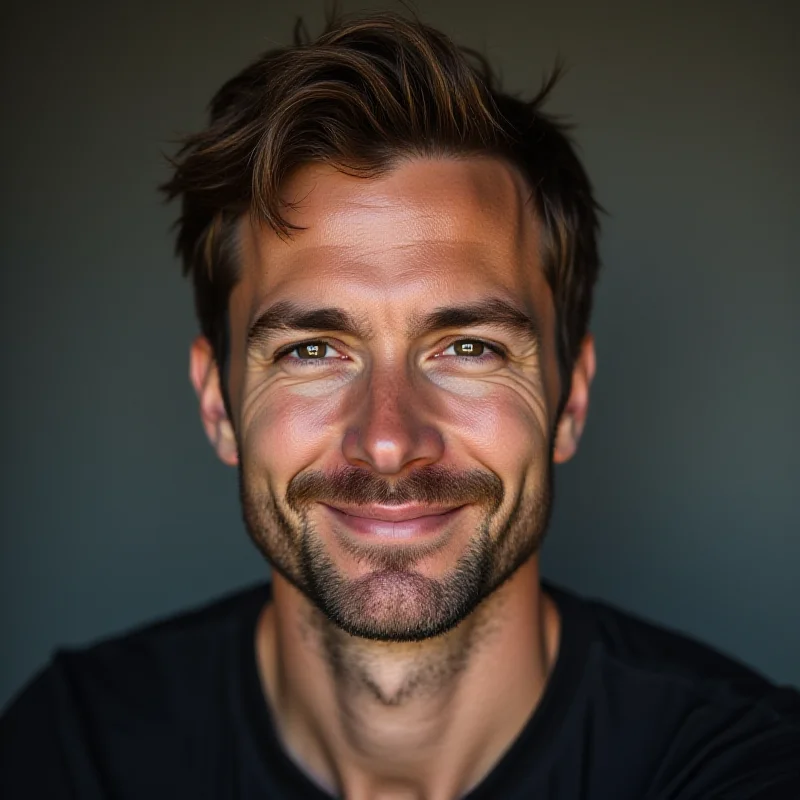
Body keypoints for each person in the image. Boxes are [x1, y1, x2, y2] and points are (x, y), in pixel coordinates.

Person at [1, 10, 798, 799]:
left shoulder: (739, 765)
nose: (387, 440)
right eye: (310, 351)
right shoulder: (78, 753)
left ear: (572, 398)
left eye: (469, 347)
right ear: (217, 404)